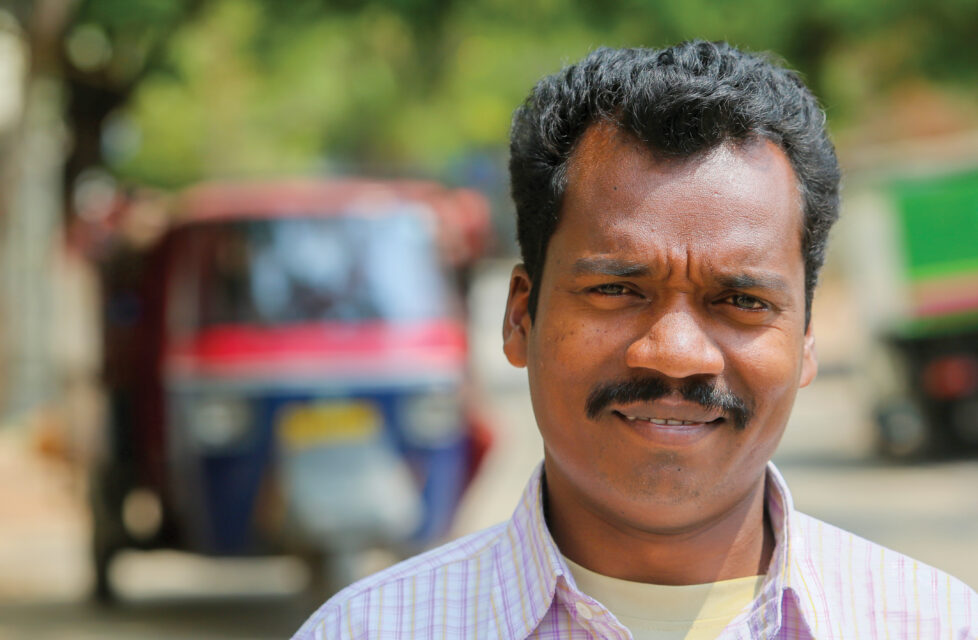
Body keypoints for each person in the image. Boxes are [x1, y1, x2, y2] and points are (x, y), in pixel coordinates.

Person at [293, 41, 978, 639]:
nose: (675, 353)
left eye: (743, 301)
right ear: (521, 318)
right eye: (617, 290)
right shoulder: (367, 631)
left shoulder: (936, 625)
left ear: (805, 340)